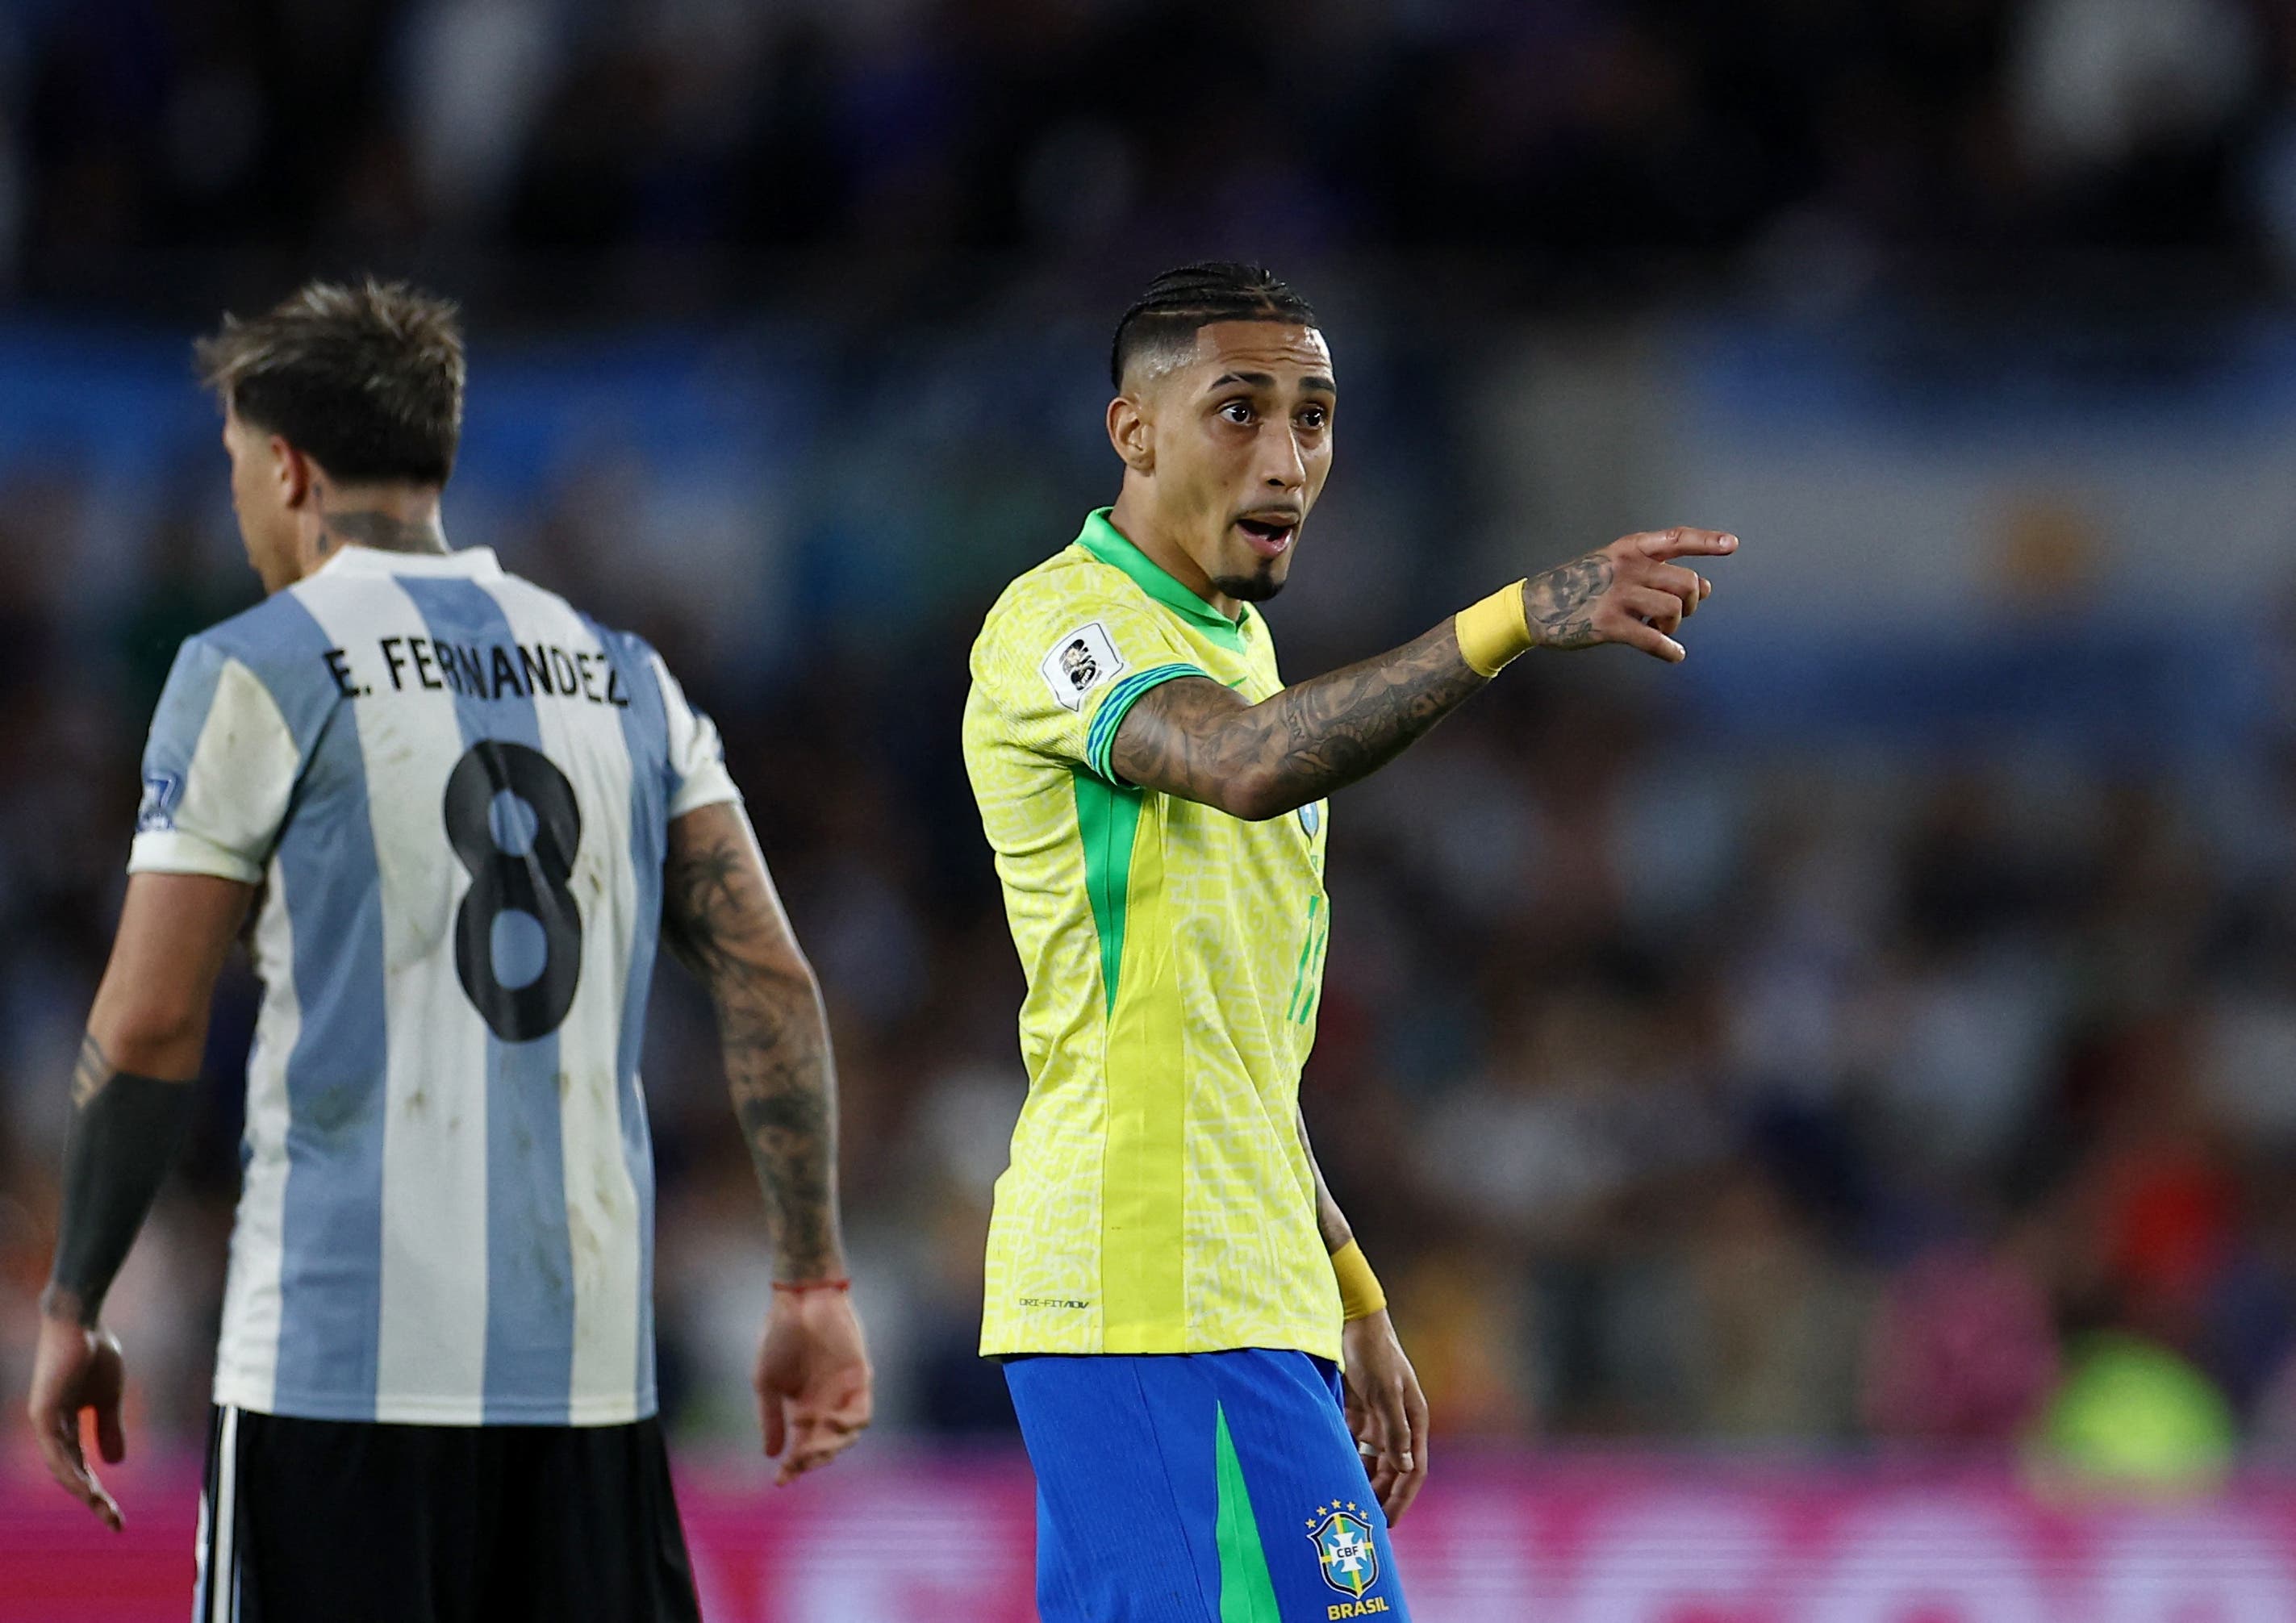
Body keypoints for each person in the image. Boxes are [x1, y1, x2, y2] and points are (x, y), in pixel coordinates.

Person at [23, 279, 872, 1623]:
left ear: (287, 467)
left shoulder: (259, 662)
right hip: (589, 1378)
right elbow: (770, 975)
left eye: (239, 467)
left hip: (333, 1371)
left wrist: (74, 1300)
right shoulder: (626, 674)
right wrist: (812, 1275)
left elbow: (146, 1026)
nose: (241, 504)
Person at [962, 261, 1735, 1621]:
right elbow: (1247, 764)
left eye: (1313, 416)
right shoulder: (1060, 626)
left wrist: (1351, 1293)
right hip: (1146, 1285)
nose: (1286, 457)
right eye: (1239, 411)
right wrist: (1508, 622)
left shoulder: (1233, 649)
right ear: (1133, 433)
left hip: (1237, 1287)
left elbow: (1234, 1050)